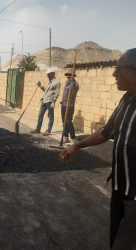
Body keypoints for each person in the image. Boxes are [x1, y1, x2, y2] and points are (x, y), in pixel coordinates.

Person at [59, 49, 136, 249]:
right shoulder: (126, 100)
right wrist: (76, 146)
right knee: (114, 240)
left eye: (119, 69)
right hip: (119, 189)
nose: (113, 74)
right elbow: (105, 132)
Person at [31, 68, 61, 136]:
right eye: (47, 74)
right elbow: (45, 90)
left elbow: (57, 93)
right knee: (40, 115)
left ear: (53, 74)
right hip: (44, 100)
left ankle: (48, 130)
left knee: (50, 116)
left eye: (48, 74)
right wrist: (40, 86)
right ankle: (38, 129)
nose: (47, 75)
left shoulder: (57, 83)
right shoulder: (48, 82)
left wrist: (54, 102)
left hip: (50, 101)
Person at [61, 69, 79, 143]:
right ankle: (65, 136)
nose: (68, 76)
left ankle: (73, 138)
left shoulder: (75, 84)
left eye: (69, 75)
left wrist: (72, 85)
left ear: (73, 76)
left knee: (68, 121)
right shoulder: (67, 82)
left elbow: (74, 92)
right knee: (64, 121)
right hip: (64, 104)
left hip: (70, 105)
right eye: (67, 75)